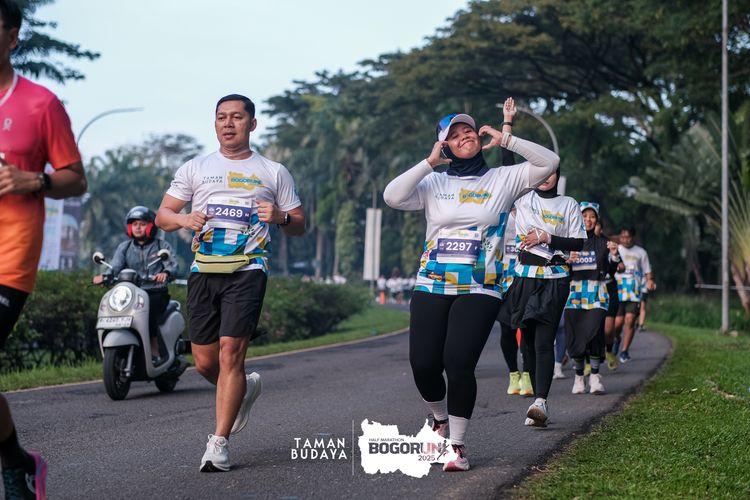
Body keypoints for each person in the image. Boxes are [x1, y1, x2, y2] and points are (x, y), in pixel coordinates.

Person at [383, 97, 559, 471]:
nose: (465, 136)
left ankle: (457, 446)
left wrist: (507, 138)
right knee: (423, 365)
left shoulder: (503, 179)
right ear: (444, 145)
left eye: (469, 130)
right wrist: (429, 163)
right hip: (432, 282)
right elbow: (392, 196)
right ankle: (439, 419)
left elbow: (549, 162)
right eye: (454, 135)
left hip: (481, 285)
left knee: (458, 361)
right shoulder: (433, 182)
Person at [155, 94, 305, 472]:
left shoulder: (273, 171)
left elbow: (300, 223)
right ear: (215, 123)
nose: (228, 123)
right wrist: (183, 220)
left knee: (230, 354)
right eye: (222, 117)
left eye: (237, 117)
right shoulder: (196, 167)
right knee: (205, 362)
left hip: (249, 269)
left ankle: (218, 443)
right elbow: (163, 215)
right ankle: (244, 388)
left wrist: (281, 217)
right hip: (204, 268)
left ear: (251, 124)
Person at [0, 1, 87, 497]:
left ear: (12, 36)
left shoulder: (40, 104)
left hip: (9, 256)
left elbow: (76, 179)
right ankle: (17, 463)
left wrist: (33, 180)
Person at [497, 165, 586, 428]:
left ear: (558, 174)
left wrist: (547, 237)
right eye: (541, 173)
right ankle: (537, 404)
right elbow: (508, 167)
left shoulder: (568, 204)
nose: (546, 178)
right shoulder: (523, 200)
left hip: (555, 279)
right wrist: (507, 137)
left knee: (543, 342)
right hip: (524, 277)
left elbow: (578, 242)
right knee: (527, 344)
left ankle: (541, 401)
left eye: (551, 172)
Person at [92, 206, 178, 363]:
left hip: (155, 292)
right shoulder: (125, 247)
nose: (138, 227)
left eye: (142, 224)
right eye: (134, 224)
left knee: (149, 309)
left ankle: (154, 349)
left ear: (151, 226)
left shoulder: (161, 246)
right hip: (131, 293)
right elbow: (115, 266)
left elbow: (172, 265)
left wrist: (165, 273)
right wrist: (105, 276)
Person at [564, 202, 621, 394]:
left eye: (592, 217)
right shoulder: (568, 242)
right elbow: (557, 267)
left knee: (596, 333)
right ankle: (579, 377)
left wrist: (614, 256)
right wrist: (566, 261)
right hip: (574, 295)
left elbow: (611, 271)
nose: (588, 220)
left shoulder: (603, 244)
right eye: (584, 216)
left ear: (597, 220)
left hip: (597, 294)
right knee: (576, 336)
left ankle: (595, 377)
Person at [498, 208, 533, 397]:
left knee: (527, 329)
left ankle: (527, 375)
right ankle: (513, 374)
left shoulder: (531, 214)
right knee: (507, 331)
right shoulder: (499, 213)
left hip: (525, 280)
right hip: (503, 283)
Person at [613, 226, 655, 363]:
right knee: (617, 324)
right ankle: (616, 338)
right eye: (623, 237)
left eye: (628, 237)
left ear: (633, 237)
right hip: (617, 289)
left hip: (634, 291)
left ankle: (624, 351)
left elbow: (647, 271)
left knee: (630, 320)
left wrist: (650, 281)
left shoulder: (641, 252)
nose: (625, 240)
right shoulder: (616, 249)